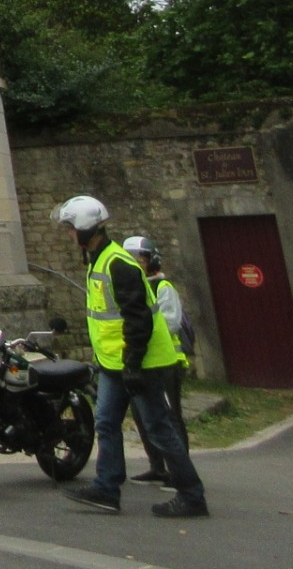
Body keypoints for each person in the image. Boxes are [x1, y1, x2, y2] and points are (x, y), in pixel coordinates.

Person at [55, 196, 208, 518]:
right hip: (114, 363)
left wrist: (134, 365)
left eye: (70, 229)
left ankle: (191, 494)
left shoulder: (117, 263)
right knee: (106, 423)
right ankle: (106, 488)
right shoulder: (97, 260)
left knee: (158, 428)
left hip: (142, 362)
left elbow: (138, 319)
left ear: (85, 229)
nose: (68, 235)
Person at [123, 235, 193, 485]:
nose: (136, 263)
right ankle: (157, 466)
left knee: (169, 416)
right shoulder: (132, 287)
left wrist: (140, 329)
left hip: (166, 362)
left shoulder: (163, 287)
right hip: (141, 361)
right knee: (142, 417)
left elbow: (171, 323)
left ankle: (179, 470)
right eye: (132, 259)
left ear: (151, 260)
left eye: (140, 259)